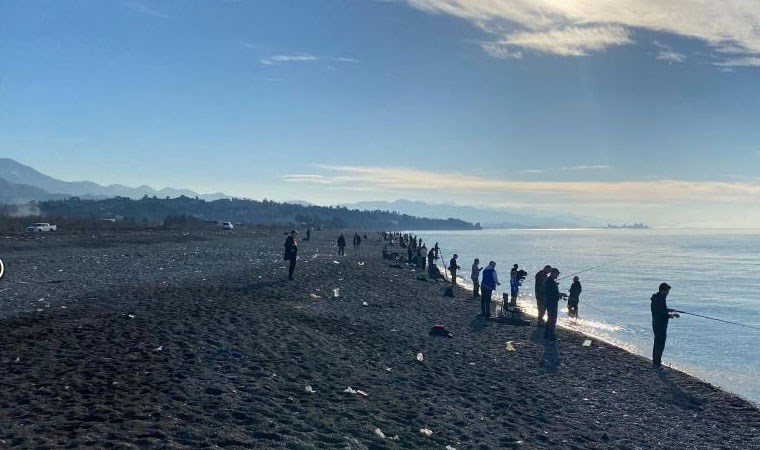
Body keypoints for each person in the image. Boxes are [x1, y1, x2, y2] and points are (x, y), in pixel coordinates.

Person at [651, 283, 679, 370]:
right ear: (663, 290)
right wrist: (673, 315)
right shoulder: (661, 299)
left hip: (656, 323)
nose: (668, 293)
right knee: (660, 344)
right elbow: (663, 314)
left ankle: (656, 362)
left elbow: (661, 310)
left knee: (657, 343)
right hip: (660, 325)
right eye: (667, 291)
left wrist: (670, 310)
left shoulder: (656, 298)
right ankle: (657, 364)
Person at [542, 267, 567, 340]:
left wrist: (559, 295)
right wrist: (561, 294)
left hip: (550, 301)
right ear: (553, 273)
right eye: (557, 274)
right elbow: (552, 293)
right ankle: (551, 335)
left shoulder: (549, 281)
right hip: (551, 302)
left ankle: (547, 335)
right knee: (552, 319)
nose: (558, 276)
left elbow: (552, 293)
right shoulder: (550, 281)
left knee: (550, 318)